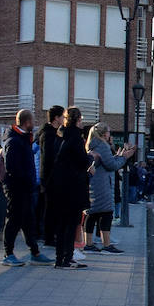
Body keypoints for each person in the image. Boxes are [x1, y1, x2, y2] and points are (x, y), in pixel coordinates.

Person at [0, 110, 51, 266]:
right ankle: (8, 254)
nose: (35, 123)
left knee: (28, 220)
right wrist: (25, 181)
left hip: (26, 188)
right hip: (17, 189)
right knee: (14, 220)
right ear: (26, 122)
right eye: (33, 121)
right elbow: (12, 167)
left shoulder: (23, 139)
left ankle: (34, 252)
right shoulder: (15, 141)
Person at [50, 106, 92, 269]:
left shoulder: (60, 135)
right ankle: (67, 258)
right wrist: (90, 158)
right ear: (78, 120)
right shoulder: (75, 137)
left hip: (59, 185)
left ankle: (60, 258)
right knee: (71, 223)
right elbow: (82, 160)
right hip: (73, 186)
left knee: (61, 224)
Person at [84, 123, 135, 253]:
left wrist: (118, 156)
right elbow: (111, 165)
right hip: (102, 185)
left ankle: (88, 244)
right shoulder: (103, 146)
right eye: (108, 132)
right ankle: (106, 245)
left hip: (94, 183)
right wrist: (124, 157)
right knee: (106, 214)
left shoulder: (93, 144)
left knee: (92, 214)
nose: (109, 135)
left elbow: (105, 162)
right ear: (103, 134)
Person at [37, 105, 64, 247]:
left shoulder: (51, 133)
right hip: (50, 178)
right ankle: (48, 237)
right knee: (50, 208)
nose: (64, 119)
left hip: (51, 177)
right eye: (63, 116)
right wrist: (47, 180)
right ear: (56, 118)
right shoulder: (48, 134)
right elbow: (47, 158)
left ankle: (50, 235)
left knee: (51, 207)